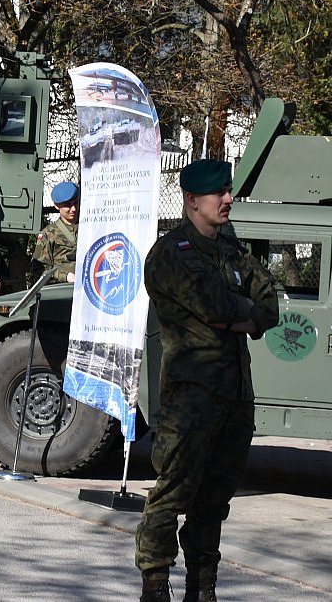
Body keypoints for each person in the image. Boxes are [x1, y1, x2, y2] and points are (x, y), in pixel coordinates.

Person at [136, 159, 278, 602]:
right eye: (219, 193)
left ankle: (203, 588)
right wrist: (241, 313)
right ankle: (156, 584)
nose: (228, 200)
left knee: (214, 503)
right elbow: (213, 305)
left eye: (228, 191)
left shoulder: (231, 251)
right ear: (192, 199)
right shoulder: (171, 253)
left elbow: (268, 304)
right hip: (191, 401)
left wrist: (244, 317)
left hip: (234, 399)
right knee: (172, 496)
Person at [29, 181, 80, 284]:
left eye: (76, 202)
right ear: (57, 206)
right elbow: (39, 268)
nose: (73, 209)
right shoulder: (48, 234)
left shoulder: (89, 228)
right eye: (67, 205)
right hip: (62, 289)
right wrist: (65, 276)